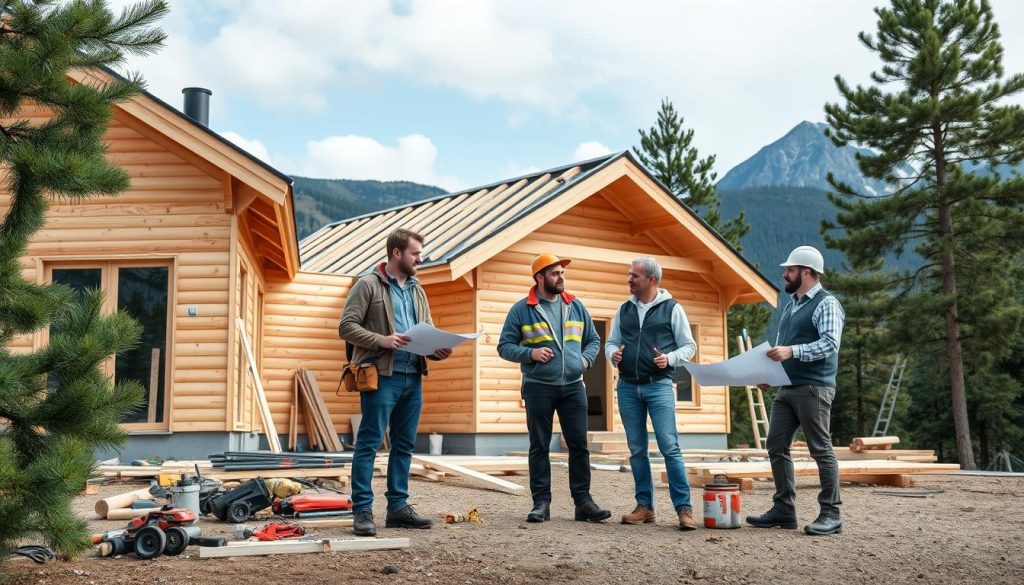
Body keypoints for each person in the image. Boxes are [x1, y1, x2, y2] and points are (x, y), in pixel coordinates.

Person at [339, 228, 453, 537]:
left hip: (413, 376)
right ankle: (362, 511)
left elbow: (425, 328)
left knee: (404, 444)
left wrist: (437, 348)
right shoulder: (368, 285)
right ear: (396, 254)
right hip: (382, 377)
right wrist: (382, 340)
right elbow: (346, 326)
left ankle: (397, 509)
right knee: (369, 444)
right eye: (415, 253)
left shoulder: (418, 290)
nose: (420, 258)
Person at [497, 253, 611, 523]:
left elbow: (594, 340)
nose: (562, 277)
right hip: (538, 387)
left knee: (579, 446)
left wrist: (583, 360)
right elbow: (504, 346)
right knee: (539, 446)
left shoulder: (575, 305)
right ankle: (541, 504)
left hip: (573, 387)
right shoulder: (522, 309)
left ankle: (583, 503)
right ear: (540, 277)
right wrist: (530, 355)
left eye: (562, 272)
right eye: (555, 273)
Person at [746, 245, 846, 536]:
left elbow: (829, 345)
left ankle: (831, 513)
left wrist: (792, 351)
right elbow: (783, 354)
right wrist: (770, 376)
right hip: (787, 389)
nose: (784, 274)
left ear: (806, 272)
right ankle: (784, 509)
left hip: (815, 388)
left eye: (789, 270)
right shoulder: (792, 306)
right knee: (776, 446)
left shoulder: (827, 304)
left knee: (821, 450)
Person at [606, 258, 698, 530]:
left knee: (670, 448)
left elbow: (689, 346)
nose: (629, 279)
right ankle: (645, 507)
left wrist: (669, 359)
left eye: (634, 275)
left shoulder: (672, 308)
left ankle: (684, 509)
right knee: (637, 450)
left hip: (658, 386)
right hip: (627, 386)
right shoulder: (623, 309)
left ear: (651, 280)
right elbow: (611, 342)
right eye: (629, 274)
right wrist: (613, 353)